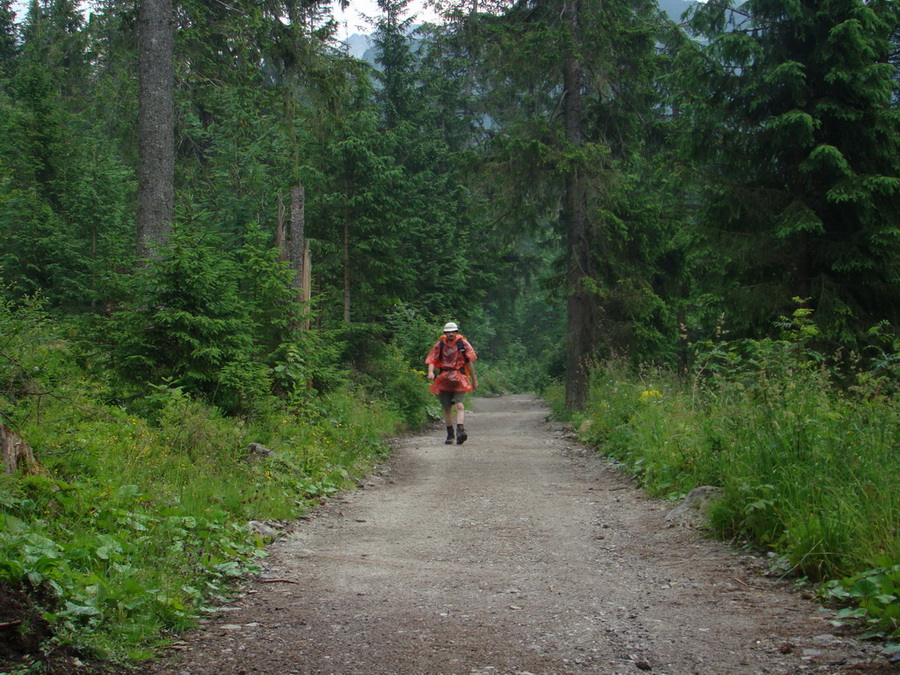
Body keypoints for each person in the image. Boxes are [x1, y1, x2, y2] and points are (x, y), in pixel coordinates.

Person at [425, 322, 478, 445]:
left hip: (459, 379)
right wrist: (431, 372)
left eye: (453, 331)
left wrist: (474, 380)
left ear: (456, 332)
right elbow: (432, 359)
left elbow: (469, 362)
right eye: (448, 332)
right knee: (447, 408)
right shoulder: (440, 345)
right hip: (444, 379)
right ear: (445, 333)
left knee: (459, 405)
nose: (451, 334)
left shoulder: (462, 344)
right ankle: (450, 434)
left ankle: (460, 431)